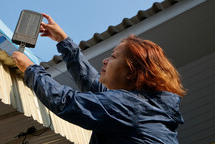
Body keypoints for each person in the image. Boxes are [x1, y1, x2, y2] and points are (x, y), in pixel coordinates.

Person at [12, 13, 186, 144]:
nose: (105, 60)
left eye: (113, 57)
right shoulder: (145, 107)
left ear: (131, 72)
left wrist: (31, 69)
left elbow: (66, 102)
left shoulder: (132, 106)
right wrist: (63, 40)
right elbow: (91, 83)